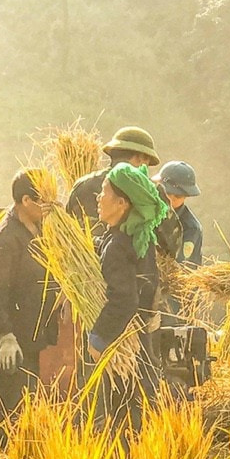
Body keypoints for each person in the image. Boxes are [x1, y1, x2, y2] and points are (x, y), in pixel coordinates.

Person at [88, 163, 168, 436]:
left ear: (122, 203)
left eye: (104, 193)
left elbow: (123, 300)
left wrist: (99, 337)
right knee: (142, 412)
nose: (98, 198)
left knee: (125, 420)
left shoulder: (118, 246)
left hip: (125, 349)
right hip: (140, 342)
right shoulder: (137, 238)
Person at [0, 170, 60, 420]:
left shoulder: (37, 230)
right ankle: (10, 457)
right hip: (14, 342)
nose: (50, 206)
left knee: (29, 407)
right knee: (16, 411)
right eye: (44, 200)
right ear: (26, 201)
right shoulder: (5, 241)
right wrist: (5, 336)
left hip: (31, 337)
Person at [67, 126, 182, 257]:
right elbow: (172, 244)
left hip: (82, 271)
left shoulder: (82, 186)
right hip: (132, 272)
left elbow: (66, 234)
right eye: (146, 161)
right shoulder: (150, 191)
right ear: (140, 158)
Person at [153, 160, 203, 267]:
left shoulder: (191, 228)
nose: (170, 200)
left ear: (186, 196)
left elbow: (179, 266)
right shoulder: (145, 212)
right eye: (167, 193)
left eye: (178, 196)